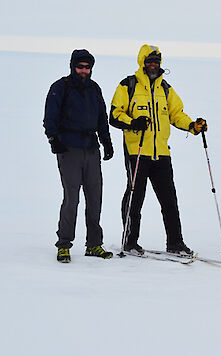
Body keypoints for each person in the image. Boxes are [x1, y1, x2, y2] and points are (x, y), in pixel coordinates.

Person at [109, 44, 207, 256]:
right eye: (149, 61)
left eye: (156, 61)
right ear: (142, 62)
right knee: (135, 199)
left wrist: (192, 126)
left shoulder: (166, 89)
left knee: (169, 200)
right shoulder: (128, 85)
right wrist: (133, 122)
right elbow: (115, 115)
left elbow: (176, 114)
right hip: (137, 152)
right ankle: (130, 242)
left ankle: (175, 243)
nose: (153, 65)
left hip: (161, 153)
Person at [43, 49, 114, 263]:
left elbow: (102, 117)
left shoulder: (94, 89)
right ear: (72, 66)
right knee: (71, 199)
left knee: (95, 198)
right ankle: (64, 244)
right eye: (80, 67)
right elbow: (50, 116)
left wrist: (106, 142)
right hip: (68, 149)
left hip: (91, 149)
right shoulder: (60, 87)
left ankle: (94, 244)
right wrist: (53, 139)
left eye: (87, 67)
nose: (84, 71)